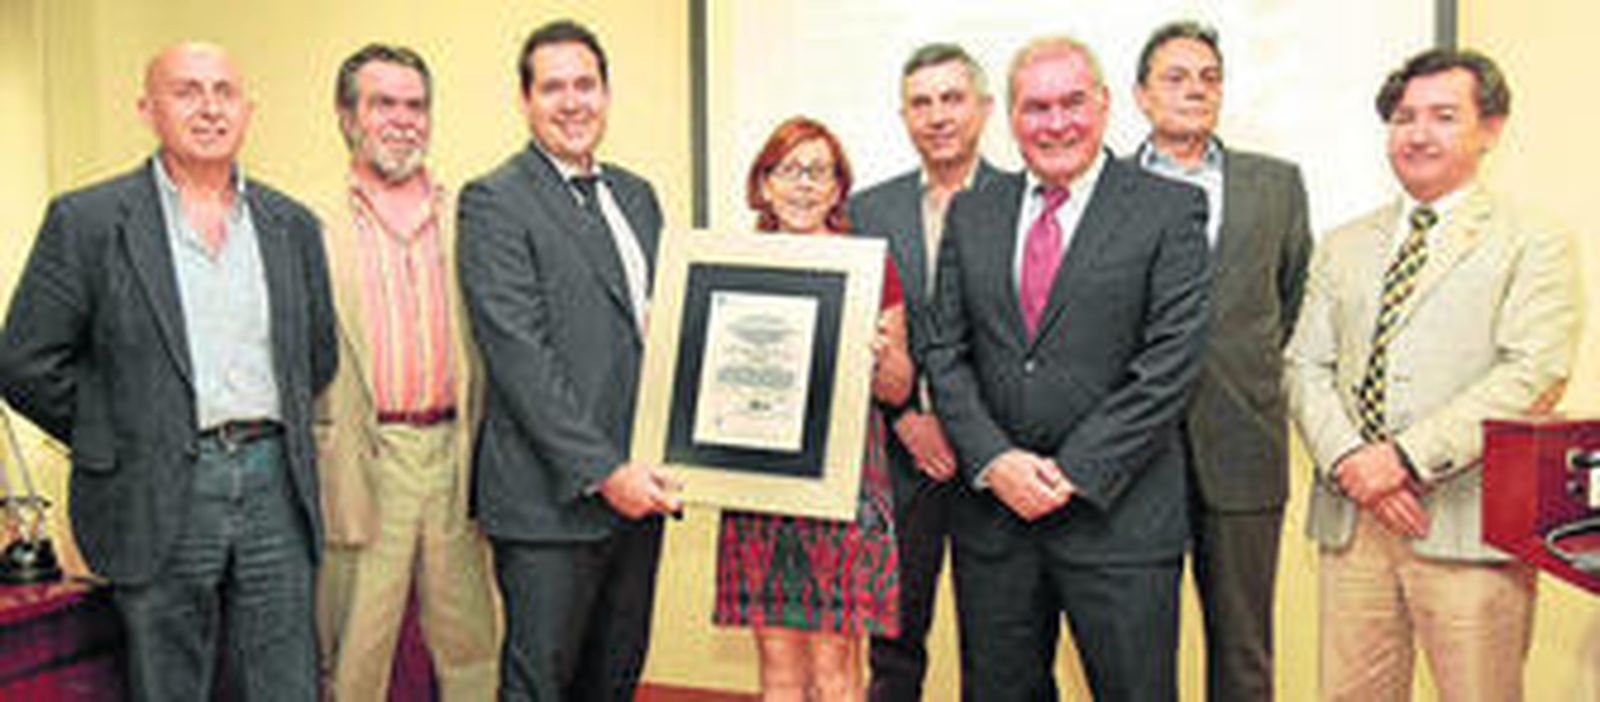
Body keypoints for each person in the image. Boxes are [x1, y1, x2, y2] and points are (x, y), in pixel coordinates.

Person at [0, 42, 337, 700]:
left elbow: (314, 355)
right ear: (148, 109)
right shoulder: (89, 221)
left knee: (284, 684)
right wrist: (120, 430)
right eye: (187, 91)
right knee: (170, 684)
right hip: (156, 492)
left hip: (276, 486)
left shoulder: (290, 224)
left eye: (224, 92)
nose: (209, 108)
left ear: (247, 110)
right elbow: (24, 360)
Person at [1284, 48, 1577, 701]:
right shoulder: (1343, 242)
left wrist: (1406, 458)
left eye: (1443, 116)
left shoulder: (1532, 238)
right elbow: (1305, 364)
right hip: (1353, 521)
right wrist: (1355, 463)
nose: (1418, 133)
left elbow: (1535, 370)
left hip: (1469, 523)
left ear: (1491, 128)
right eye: (1404, 117)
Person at [926, 35, 1210, 701]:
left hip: (1120, 521)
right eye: (1036, 107)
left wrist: (1070, 472)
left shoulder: (1167, 209)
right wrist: (997, 462)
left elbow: (1171, 362)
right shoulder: (972, 212)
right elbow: (946, 352)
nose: (1056, 124)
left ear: (1106, 105)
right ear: (1011, 118)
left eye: (1073, 103)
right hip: (996, 523)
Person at [456, 19, 679, 701]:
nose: (572, 101)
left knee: (614, 680)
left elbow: (660, 332)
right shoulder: (494, 200)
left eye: (586, 84)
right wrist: (603, 472)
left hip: (638, 495)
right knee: (540, 686)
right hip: (549, 504)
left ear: (607, 94)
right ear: (525, 101)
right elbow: (521, 357)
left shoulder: (638, 196)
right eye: (553, 87)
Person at [1128, 21, 1313, 701]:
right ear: (1142, 96)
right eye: (1176, 77)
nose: (1195, 89)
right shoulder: (1105, 189)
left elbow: (1288, 305)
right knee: (1134, 653)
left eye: (1209, 77)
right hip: (1132, 458)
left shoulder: (1277, 185)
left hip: (1243, 448)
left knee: (1243, 653)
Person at [312, 43, 498, 701]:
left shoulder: (471, 215)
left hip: (456, 456)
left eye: (416, 105)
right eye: (382, 103)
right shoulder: (311, 225)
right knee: (355, 656)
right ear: (347, 116)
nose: (402, 119)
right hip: (364, 459)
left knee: (473, 651)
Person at [714, 116, 914, 702]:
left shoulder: (868, 264)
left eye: (818, 171)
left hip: (845, 480)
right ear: (764, 184)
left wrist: (879, 359)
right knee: (776, 658)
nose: (803, 184)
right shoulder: (729, 261)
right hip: (758, 475)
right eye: (788, 170)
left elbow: (899, 388)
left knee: (835, 661)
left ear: (837, 188)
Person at [845, 43, 999, 702]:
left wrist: (968, 432)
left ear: (984, 109)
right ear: (904, 116)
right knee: (895, 649)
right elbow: (853, 333)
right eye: (921, 102)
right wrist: (906, 418)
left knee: (1000, 650)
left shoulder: (1025, 201)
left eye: (952, 98)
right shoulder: (868, 210)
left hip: (997, 461)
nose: (937, 116)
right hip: (901, 462)